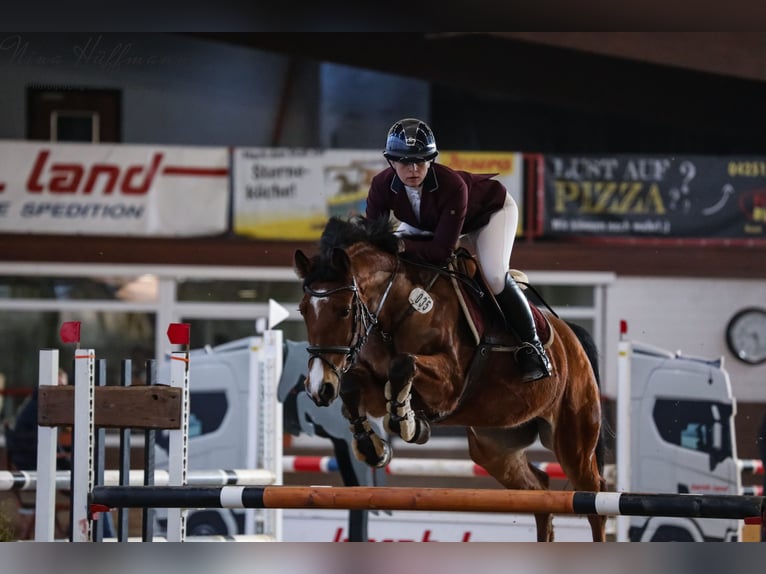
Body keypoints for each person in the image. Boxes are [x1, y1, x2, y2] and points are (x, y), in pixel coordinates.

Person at [365, 118, 551, 382]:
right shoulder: (381, 186)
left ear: (431, 160)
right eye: (405, 162)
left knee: (495, 275)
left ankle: (533, 347)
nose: (414, 169)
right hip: (433, 223)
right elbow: (375, 242)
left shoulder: (453, 185)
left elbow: (440, 252)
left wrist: (401, 245)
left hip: (490, 215)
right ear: (391, 162)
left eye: (421, 160)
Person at [8, 368, 71, 471]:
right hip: (32, 460)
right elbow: (40, 444)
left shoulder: (38, 402)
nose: (61, 391)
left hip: (31, 457)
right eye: (58, 386)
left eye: (63, 387)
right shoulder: (41, 407)